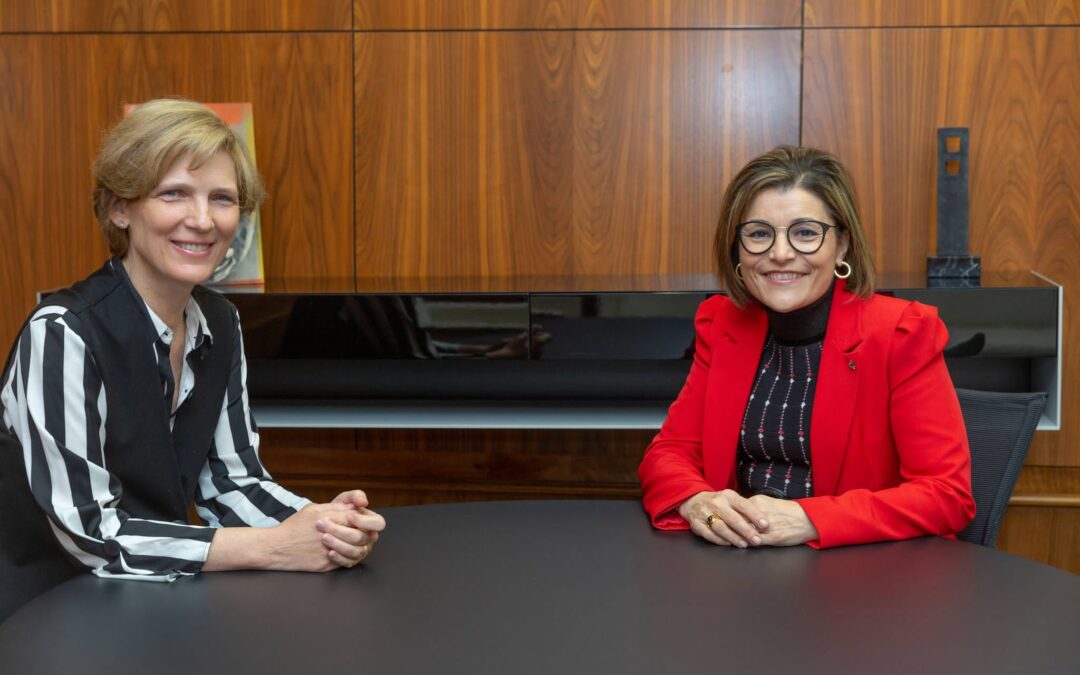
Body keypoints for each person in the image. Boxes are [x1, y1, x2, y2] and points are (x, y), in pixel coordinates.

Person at [0, 99, 385, 619]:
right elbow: (91, 534)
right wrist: (274, 547)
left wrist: (325, 526)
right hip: (41, 618)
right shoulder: (61, 332)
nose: (203, 221)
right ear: (120, 207)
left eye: (222, 199)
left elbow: (233, 483)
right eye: (174, 193)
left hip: (146, 607)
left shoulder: (220, 322)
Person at [638, 146, 974, 549]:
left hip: (861, 575)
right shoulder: (721, 323)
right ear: (738, 250)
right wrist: (698, 502)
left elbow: (946, 494)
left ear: (842, 245)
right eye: (759, 233)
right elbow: (669, 452)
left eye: (806, 233)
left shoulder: (901, 331)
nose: (780, 254)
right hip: (739, 565)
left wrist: (811, 519)